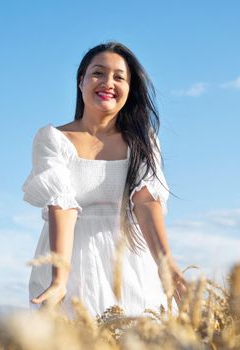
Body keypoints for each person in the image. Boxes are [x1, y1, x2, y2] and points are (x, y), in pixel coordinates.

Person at [22, 41, 188, 318]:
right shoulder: (53, 139)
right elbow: (62, 206)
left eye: (119, 77)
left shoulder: (143, 142)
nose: (108, 82)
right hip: (69, 259)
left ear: (129, 88)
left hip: (131, 260)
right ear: (81, 81)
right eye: (98, 73)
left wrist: (166, 264)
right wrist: (60, 279)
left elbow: (146, 204)